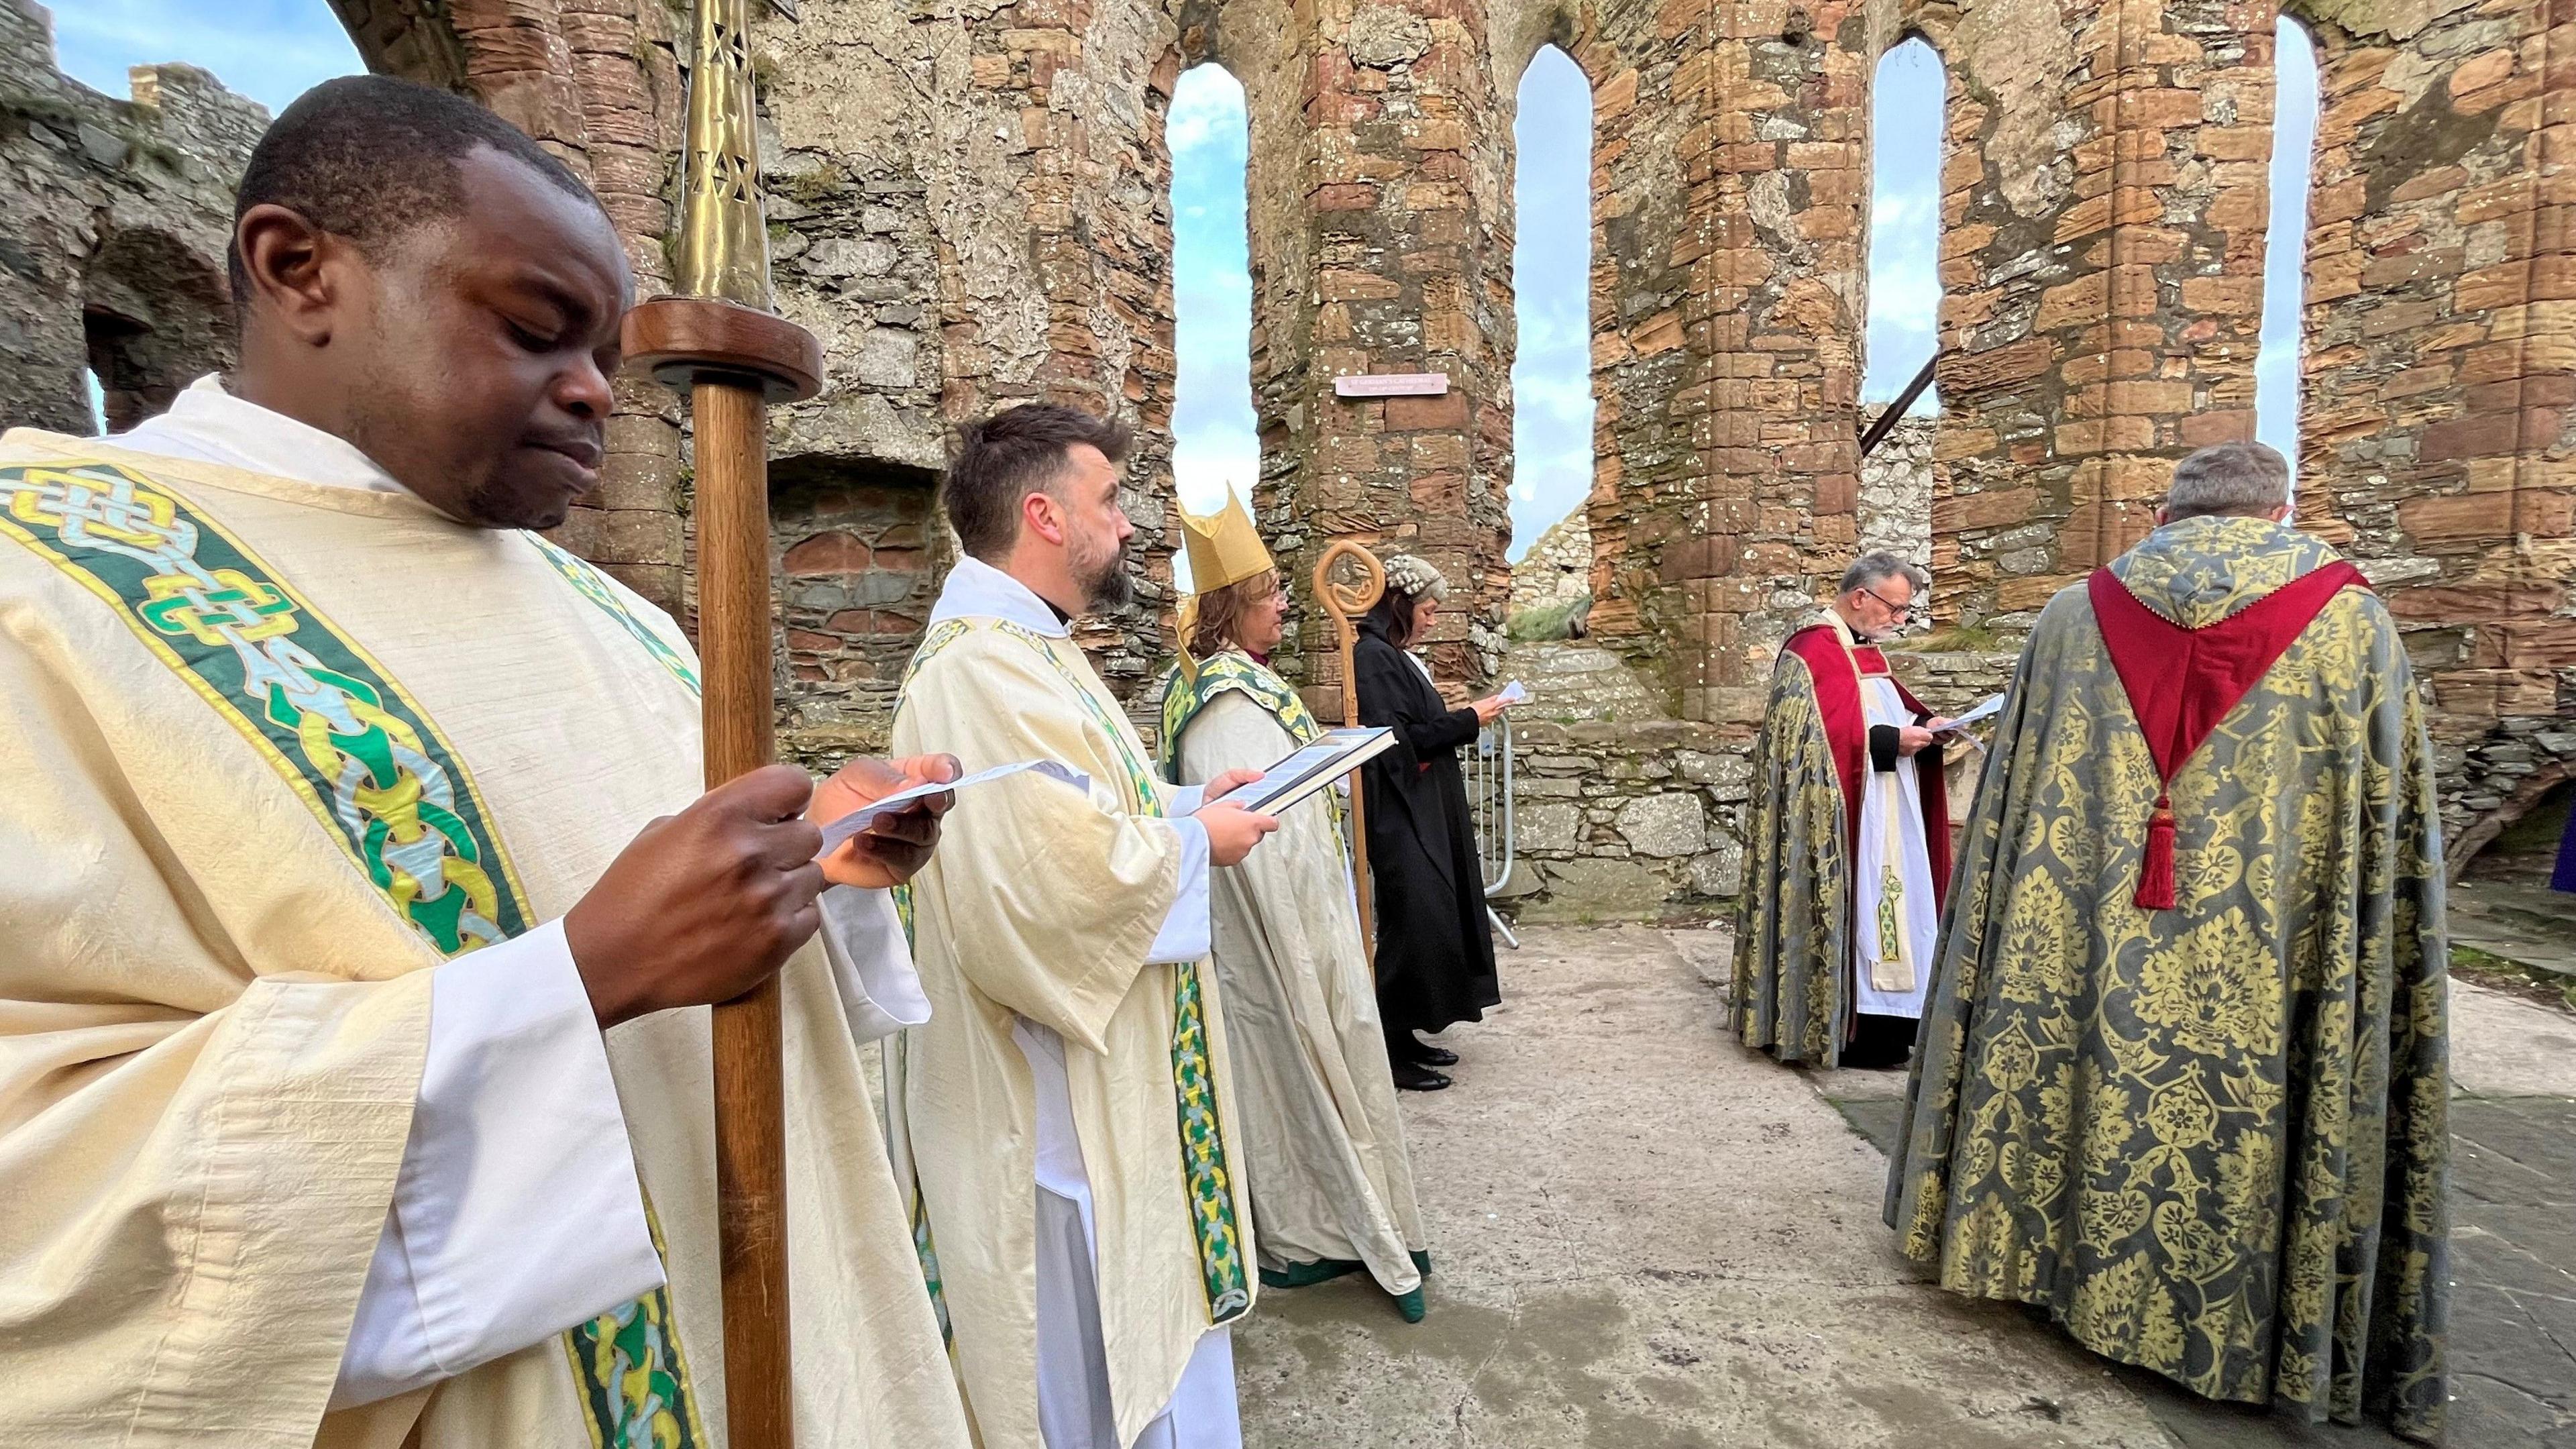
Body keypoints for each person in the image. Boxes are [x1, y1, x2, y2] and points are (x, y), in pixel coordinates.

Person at [0, 76, 973, 1447]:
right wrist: (585, 979)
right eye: (533, 329)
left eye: (609, 357)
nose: (591, 391)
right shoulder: (45, 591)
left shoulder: (614, 616)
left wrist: (818, 853)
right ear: (299, 270)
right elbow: (42, 1200)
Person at [1886, 441, 2449, 1441]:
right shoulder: (2350, 617)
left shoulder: (2072, 615)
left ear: (2165, 513)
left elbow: (2012, 812)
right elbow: (2382, 817)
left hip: (2084, 926)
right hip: (2271, 950)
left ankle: (2043, 1268)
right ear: (2280, 511)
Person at [888, 404, 1280, 1448]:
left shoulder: (1032, 646)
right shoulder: (978, 666)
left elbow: (1081, 806)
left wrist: (1190, 806)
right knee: (1091, 1334)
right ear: (1043, 515)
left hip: (1110, 1070)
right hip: (1053, 1097)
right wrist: (1204, 848)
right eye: (1108, 500)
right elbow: (1036, 884)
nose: (1127, 525)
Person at [1157, 493, 1433, 1322]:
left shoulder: (1245, 684)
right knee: (1296, 1065)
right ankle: (1316, 1232)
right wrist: (1312, 946)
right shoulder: (1226, 701)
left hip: (1303, 918)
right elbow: (1262, 846)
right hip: (1275, 939)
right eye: (1270, 592)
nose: (1284, 605)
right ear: (1230, 606)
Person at [1733, 551, 1953, 1069]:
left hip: (1888, 811)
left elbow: (1881, 706)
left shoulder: (1866, 650)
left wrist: (1928, 722)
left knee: (1897, 909)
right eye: (1895, 609)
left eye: (1905, 612)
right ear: (1861, 597)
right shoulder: (1812, 650)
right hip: (1840, 821)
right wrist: (1887, 741)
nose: (1899, 620)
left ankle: (1894, 1025)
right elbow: (1806, 741)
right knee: (1864, 914)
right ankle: (1852, 1031)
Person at [1351, 553, 1509, 1091]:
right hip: (1399, 813)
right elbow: (1397, 739)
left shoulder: (1389, 654)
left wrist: (1465, 719)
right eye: (1430, 610)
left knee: (1427, 917)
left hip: (1421, 806)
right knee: (1411, 922)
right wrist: (1471, 719)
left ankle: (1403, 1035)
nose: (1433, 620)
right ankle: (1390, 1049)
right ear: (1402, 604)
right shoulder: (1372, 656)